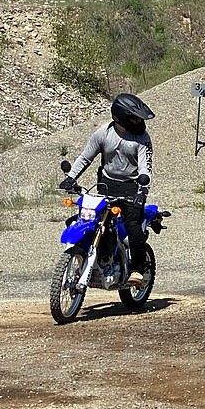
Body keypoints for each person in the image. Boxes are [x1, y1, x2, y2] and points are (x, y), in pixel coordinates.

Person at [59, 93, 155, 287]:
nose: (139, 122)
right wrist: (70, 178)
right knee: (91, 219)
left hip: (132, 188)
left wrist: (142, 189)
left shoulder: (142, 138)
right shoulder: (103, 133)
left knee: (133, 228)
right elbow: (86, 157)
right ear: (122, 116)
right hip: (105, 185)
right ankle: (99, 259)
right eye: (135, 118)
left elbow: (146, 167)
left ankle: (136, 269)